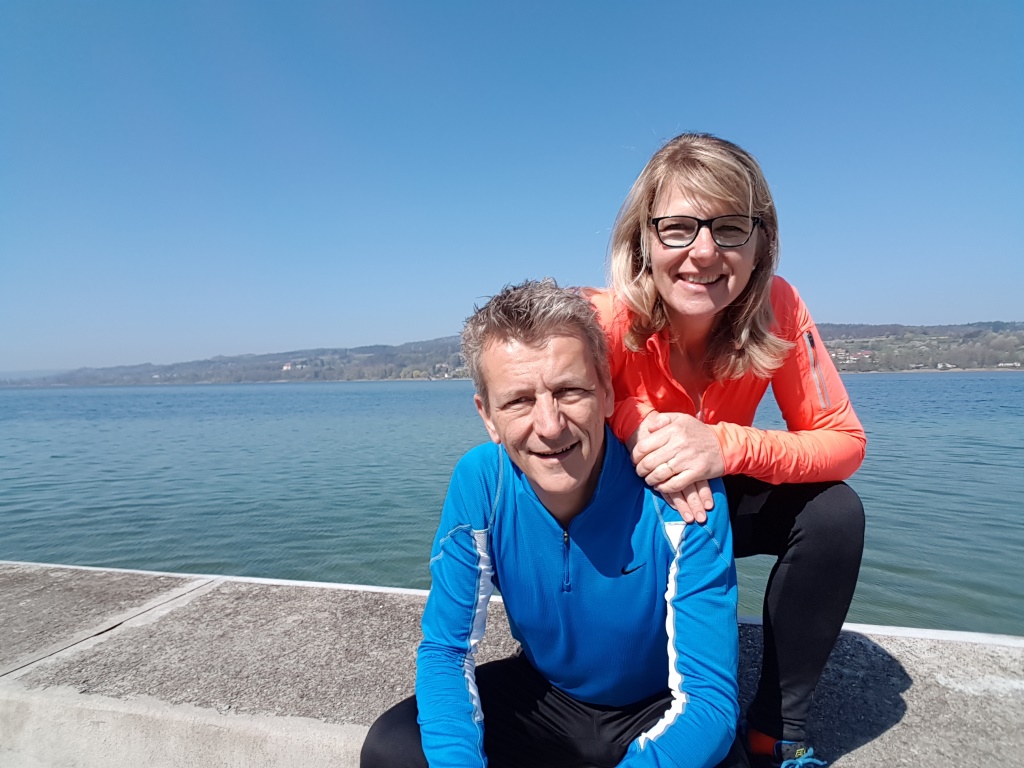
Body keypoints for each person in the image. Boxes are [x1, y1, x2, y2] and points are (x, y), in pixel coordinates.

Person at [361, 279, 748, 768]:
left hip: (659, 705)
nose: (549, 425)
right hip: (546, 699)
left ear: (607, 392)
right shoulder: (482, 482)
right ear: (487, 416)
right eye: (518, 401)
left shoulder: (681, 492)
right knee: (392, 748)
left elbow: (709, 702)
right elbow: (446, 650)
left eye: (569, 391)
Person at [588, 133, 866, 768]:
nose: (704, 251)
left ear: (760, 241)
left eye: (730, 227)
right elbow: (549, 415)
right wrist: (639, 422)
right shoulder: (600, 320)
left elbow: (844, 441)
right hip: (620, 516)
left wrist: (723, 443)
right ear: (643, 240)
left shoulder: (777, 306)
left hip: (710, 505)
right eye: (678, 227)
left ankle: (776, 733)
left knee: (833, 514)